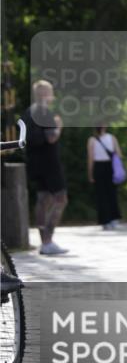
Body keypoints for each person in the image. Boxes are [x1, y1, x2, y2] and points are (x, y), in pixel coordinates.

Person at [24, 80, 69, 255]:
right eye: (50, 92)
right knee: (61, 199)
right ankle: (48, 240)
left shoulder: (30, 111)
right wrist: (58, 126)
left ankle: (44, 242)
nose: (52, 96)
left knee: (43, 200)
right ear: (44, 94)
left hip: (35, 163)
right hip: (50, 164)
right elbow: (51, 138)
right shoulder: (45, 113)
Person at [87, 126, 124, 230]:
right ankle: (114, 219)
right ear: (105, 127)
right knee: (112, 193)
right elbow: (119, 154)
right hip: (110, 167)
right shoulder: (112, 138)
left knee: (101, 195)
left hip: (98, 168)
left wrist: (90, 174)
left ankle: (105, 221)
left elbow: (90, 158)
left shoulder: (92, 140)